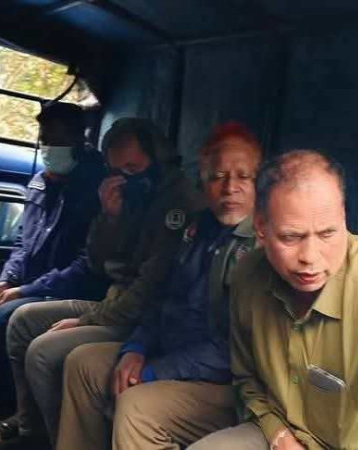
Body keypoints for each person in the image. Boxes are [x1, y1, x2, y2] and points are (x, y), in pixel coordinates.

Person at [188, 149, 358, 450]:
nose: (310, 257)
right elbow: (247, 381)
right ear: (261, 228)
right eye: (291, 237)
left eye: (328, 234)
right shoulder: (248, 276)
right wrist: (277, 434)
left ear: (343, 218)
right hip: (282, 431)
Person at [0, 117, 203, 450]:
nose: (125, 177)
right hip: (113, 301)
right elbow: (97, 263)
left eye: (132, 167)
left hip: (137, 315)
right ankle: (32, 432)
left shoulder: (178, 204)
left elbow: (148, 290)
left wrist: (87, 320)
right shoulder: (129, 196)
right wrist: (109, 217)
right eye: (117, 170)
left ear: (157, 160)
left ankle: (54, 441)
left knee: (45, 351)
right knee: (21, 321)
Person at [55, 122, 262, 450]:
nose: (230, 188)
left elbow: (233, 349)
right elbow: (161, 297)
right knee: (83, 364)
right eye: (217, 177)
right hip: (171, 350)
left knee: (136, 403)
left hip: (224, 378)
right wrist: (136, 347)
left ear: (259, 182)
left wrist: (156, 369)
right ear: (203, 181)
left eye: (244, 177)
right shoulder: (196, 230)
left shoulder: (264, 246)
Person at [0, 101, 107, 418]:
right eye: (44, 139)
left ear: (79, 140)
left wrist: (24, 291)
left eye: (58, 140)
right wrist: (7, 279)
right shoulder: (39, 182)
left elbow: (85, 266)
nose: (49, 147)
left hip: (67, 288)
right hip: (30, 280)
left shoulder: (95, 190)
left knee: (4, 316)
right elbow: (23, 241)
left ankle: (25, 411)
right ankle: (3, 394)